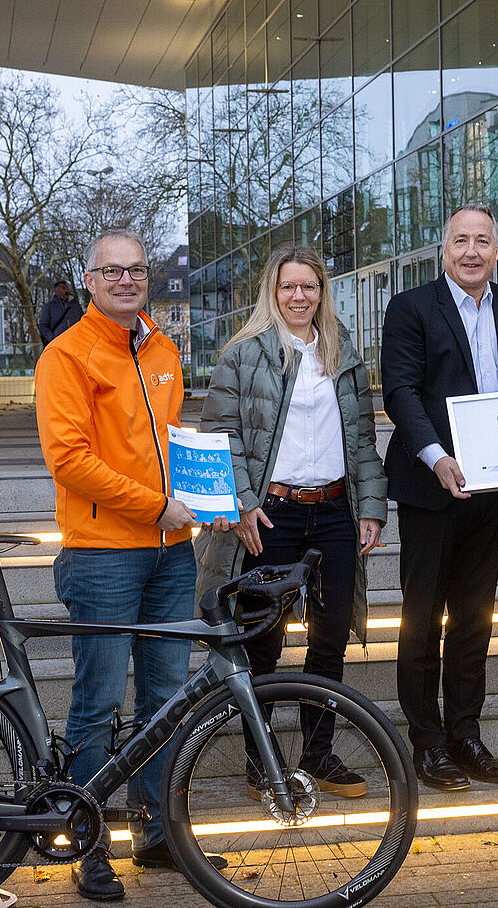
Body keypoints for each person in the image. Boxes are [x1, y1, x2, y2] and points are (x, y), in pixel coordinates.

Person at [35, 229, 204, 900]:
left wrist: (204, 493)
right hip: (105, 554)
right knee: (99, 703)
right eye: (113, 271)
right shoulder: (67, 355)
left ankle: (158, 836)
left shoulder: (162, 348)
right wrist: (154, 506)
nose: (127, 280)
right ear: (90, 280)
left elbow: (168, 442)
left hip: (171, 555)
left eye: (136, 269)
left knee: (165, 703)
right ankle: (85, 843)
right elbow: (69, 459)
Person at [194, 243, 387, 796]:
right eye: (288, 287)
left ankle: (320, 755)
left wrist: (370, 506)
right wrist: (243, 501)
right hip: (270, 515)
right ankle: (262, 762)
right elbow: (221, 435)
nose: (298, 296)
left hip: (333, 513)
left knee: (329, 642)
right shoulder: (243, 354)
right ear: (272, 292)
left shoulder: (343, 352)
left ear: (323, 293)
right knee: (263, 642)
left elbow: (363, 439)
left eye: (309, 287)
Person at [381, 204, 498, 791]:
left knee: (475, 618)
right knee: (422, 618)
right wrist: (436, 457)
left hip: (489, 487)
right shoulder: (411, 307)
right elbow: (399, 391)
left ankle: (466, 734)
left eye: (483, 242)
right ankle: (426, 742)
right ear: (442, 249)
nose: (472, 252)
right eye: (460, 241)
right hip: (431, 485)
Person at [39, 279, 83, 344]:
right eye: (63, 288)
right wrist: (52, 338)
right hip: (58, 344)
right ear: (56, 292)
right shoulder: (49, 307)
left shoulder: (75, 306)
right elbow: (43, 326)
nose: (66, 290)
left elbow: (83, 321)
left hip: (76, 342)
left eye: (66, 288)